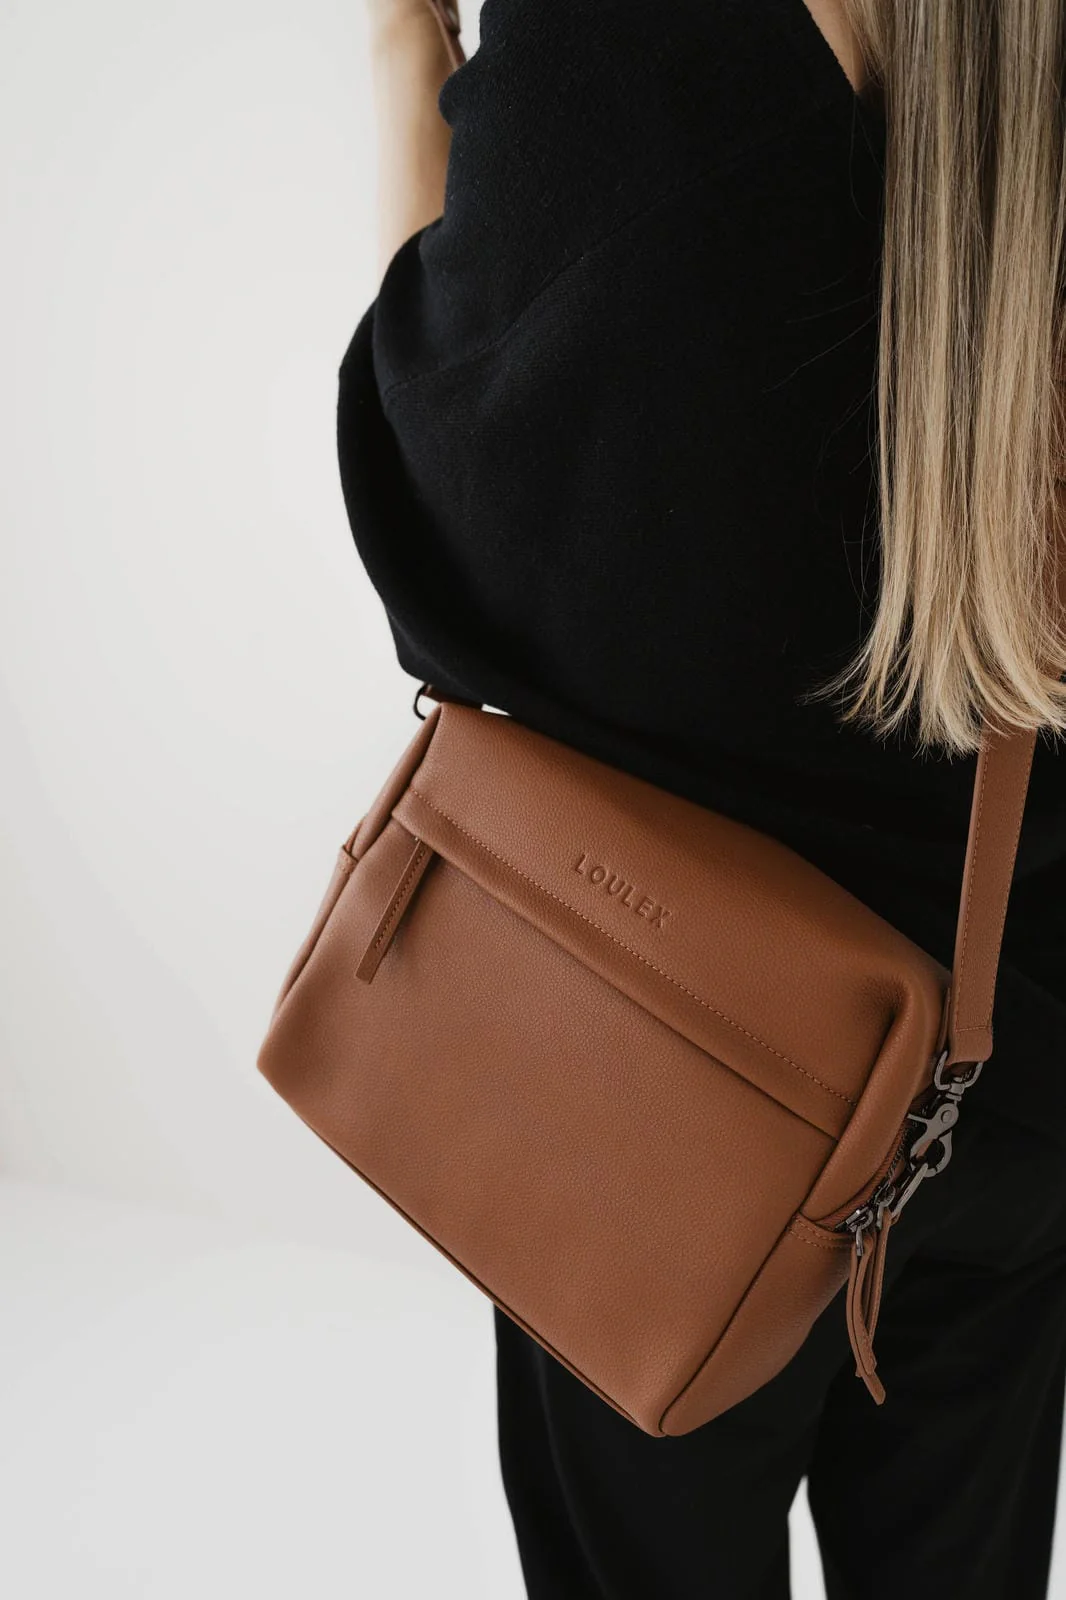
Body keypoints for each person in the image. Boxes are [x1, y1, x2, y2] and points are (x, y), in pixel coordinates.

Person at [338, 2, 1066, 1594]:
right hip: (1011, 1060)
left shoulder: (624, 38)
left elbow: (448, 550)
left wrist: (401, 44)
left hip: (660, 1094)